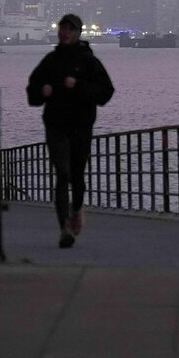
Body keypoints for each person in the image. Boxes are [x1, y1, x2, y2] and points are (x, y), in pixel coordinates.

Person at [26, 13, 114, 248]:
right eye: (62, 28)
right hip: (55, 125)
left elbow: (106, 92)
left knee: (77, 174)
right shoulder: (51, 61)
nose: (65, 32)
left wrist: (79, 86)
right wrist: (40, 93)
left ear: (77, 33)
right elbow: (31, 91)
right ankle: (64, 227)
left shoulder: (88, 61)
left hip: (81, 125)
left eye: (70, 29)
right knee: (62, 174)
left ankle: (76, 210)